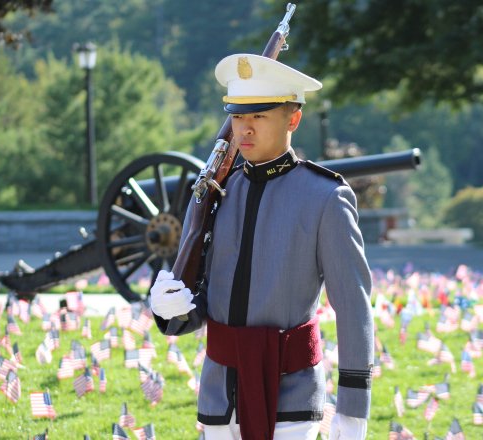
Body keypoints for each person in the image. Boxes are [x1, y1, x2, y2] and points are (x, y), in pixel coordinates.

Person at [150, 53, 374, 440]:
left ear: (293, 119)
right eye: (238, 116)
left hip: (292, 396)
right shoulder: (214, 192)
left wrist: (353, 411)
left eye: (259, 116)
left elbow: (353, 306)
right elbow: (199, 297)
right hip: (220, 395)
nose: (244, 130)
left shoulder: (325, 197)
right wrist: (167, 306)